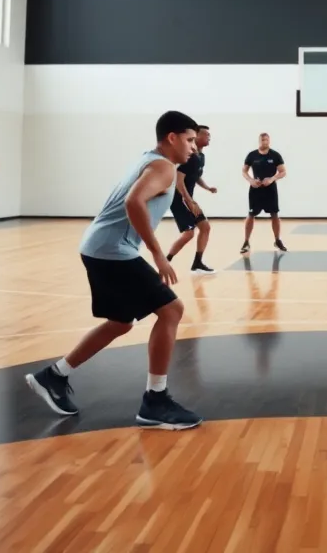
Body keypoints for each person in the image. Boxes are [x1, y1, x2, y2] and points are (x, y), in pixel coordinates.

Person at [25, 110, 203, 429]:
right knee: (172, 310)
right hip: (111, 250)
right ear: (172, 137)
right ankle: (155, 401)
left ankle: (53, 376)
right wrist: (158, 254)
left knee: (121, 322)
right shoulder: (162, 166)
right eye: (190, 140)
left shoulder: (151, 161)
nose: (194, 147)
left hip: (98, 247)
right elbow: (133, 202)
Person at [166, 125, 216, 274]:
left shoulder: (201, 157)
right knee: (189, 234)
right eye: (206, 135)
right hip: (178, 200)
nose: (209, 137)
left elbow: (196, 175)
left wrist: (207, 187)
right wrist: (189, 201)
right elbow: (179, 181)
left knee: (205, 228)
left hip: (188, 200)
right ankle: (164, 261)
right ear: (197, 137)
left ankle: (197, 263)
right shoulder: (190, 157)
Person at [241, 133, 287, 254]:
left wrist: (271, 179)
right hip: (255, 189)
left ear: (269, 141)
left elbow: (283, 172)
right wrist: (251, 180)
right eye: (262, 140)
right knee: (251, 215)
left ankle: (277, 240)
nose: (264, 142)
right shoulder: (252, 155)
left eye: (266, 140)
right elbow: (244, 171)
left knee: (275, 215)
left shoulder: (275, 155)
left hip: (270, 190)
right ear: (259, 141)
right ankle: (246, 242)